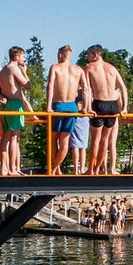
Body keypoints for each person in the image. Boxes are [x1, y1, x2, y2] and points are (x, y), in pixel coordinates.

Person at [83, 45, 128, 175]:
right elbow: (123, 88)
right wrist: (124, 108)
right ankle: (98, 169)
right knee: (105, 140)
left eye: (88, 54)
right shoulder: (112, 68)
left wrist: (87, 107)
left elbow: (86, 89)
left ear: (95, 54)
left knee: (96, 140)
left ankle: (91, 169)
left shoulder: (89, 67)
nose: (87, 57)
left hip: (99, 103)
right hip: (113, 106)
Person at [45, 45, 87, 176]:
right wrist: (85, 107)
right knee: (65, 140)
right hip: (72, 107)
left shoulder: (55, 67)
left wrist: (48, 106)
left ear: (61, 55)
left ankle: (54, 168)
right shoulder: (78, 70)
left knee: (53, 138)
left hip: (58, 105)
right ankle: (56, 168)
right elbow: (86, 88)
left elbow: (50, 85)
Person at [0, 46, 31, 176]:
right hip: (15, 105)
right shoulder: (14, 68)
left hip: (5, 106)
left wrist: (1, 97)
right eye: (23, 57)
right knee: (14, 138)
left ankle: (4, 168)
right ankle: (12, 169)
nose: (24, 60)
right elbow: (27, 85)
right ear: (16, 56)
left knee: (5, 138)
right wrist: (25, 72)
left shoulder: (2, 71)